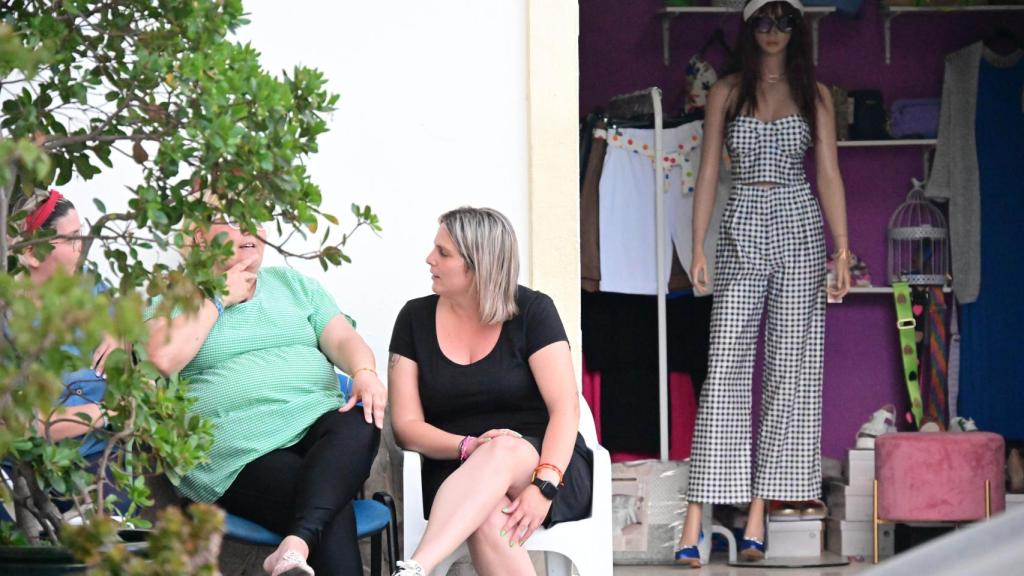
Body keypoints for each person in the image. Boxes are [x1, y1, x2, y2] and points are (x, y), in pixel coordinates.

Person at [673, 0, 851, 566]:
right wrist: (697, 244)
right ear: (750, 29)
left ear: (797, 28)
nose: (774, 32)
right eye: (764, 21)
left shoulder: (814, 93)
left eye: (784, 21)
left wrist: (843, 248)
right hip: (743, 218)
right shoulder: (727, 90)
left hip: (799, 223)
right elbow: (707, 170)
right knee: (724, 364)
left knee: (788, 371)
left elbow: (827, 172)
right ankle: (694, 520)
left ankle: (757, 515)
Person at [144, 213, 386, 576]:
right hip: (239, 451)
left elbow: (343, 339)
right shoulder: (170, 299)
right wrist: (218, 297)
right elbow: (162, 358)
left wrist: (365, 372)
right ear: (197, 235)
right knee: (325, 503)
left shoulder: (293, 284)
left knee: (361, 417)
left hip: (316, 425)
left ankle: (294, 546)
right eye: (232, 218)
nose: (249, 228)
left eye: (256, 217)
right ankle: (299, 541)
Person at [387, 207, 593, 576]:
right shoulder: (413, 319)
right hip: (454, 470)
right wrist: (467, 446)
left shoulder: (533, 312)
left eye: (444, 253)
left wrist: (543, 486)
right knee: (486, 516)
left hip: (547, 462)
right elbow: (405, 425)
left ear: (478, 264)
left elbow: (566, 408)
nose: (429, 259)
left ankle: (417, 565)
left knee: (504, 447)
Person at [2, 189, 128, 516]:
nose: (82, 246)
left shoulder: (87, 282)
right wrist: (110, 413)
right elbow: (24, 425)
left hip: (96, 458)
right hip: (23, 470)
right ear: (32, 253)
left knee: (115, 540)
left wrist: (118, 336)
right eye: (72, 238)